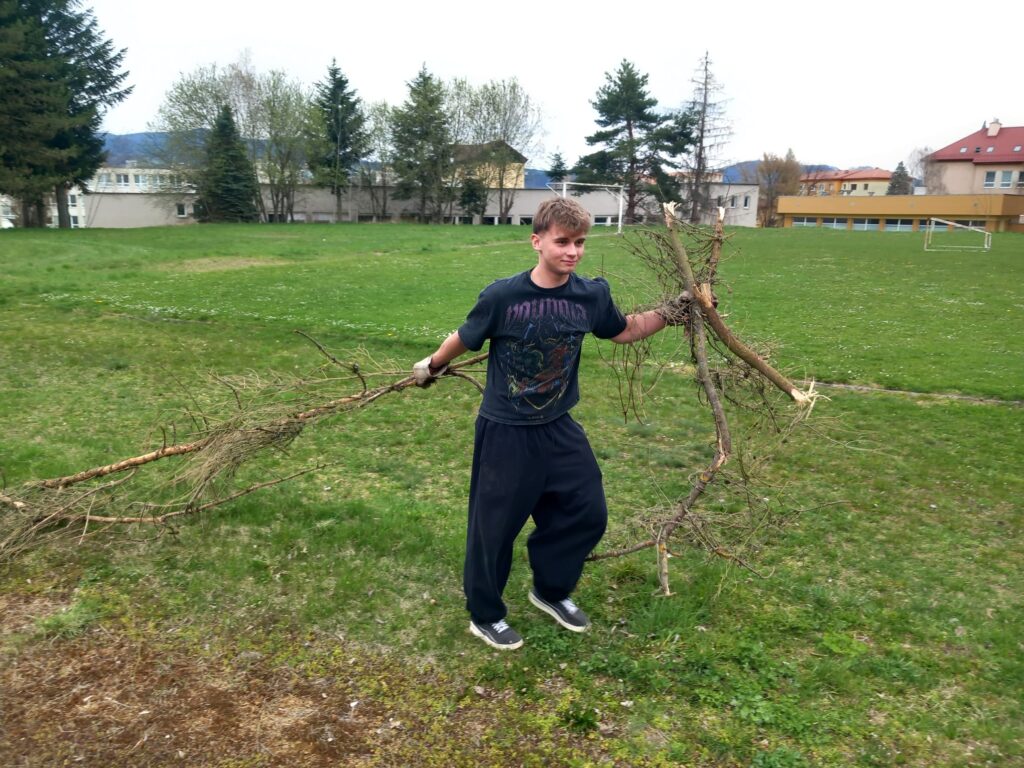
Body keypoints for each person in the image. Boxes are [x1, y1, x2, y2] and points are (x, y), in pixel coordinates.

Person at [413, 197, 683, 651]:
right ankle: (485, 615)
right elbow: (466, 335)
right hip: (506, 430)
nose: (573, 251)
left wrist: (674, 311)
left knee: (587, 511)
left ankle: (551, 590)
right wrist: (433, 365)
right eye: (562, 242)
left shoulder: (590, 295)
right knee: (494, 528)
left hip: (559, 425)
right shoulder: (503, 296)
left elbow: (625, 329)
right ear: (536, 241)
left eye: (580, 242)